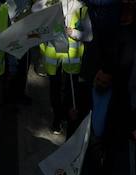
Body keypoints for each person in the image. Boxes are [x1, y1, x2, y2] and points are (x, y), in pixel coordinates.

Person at [42, 0, 92, 134]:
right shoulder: (51, 3)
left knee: (70, 90)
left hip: (72, 57)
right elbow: (36, 10)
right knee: (55, 88)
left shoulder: (81, 8)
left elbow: (89, 35)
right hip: (54, 54)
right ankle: (57, 118)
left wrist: (73, 33)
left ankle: (68, 115)